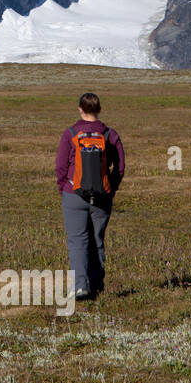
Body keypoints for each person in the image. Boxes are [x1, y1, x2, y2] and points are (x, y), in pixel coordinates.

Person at [55, 92, 124, 300]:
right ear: (99, 110)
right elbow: (120, 167)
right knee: (97, 239)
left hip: (73, 194)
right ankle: (97, 285)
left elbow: (60, 167)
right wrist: (110, 188)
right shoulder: (110, 134)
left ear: (80, 109)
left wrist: (64, 190)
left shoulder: (70, 133)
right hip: (103, 195)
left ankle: (80, 287)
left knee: (78, 241)